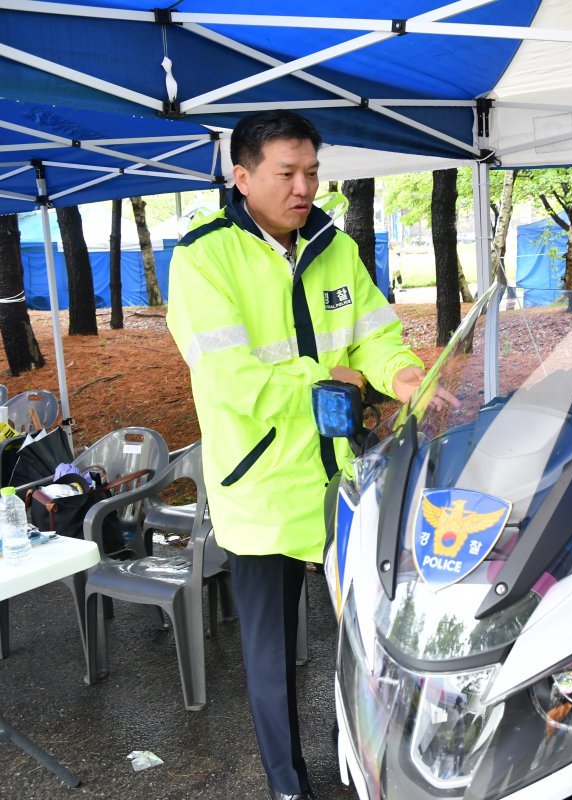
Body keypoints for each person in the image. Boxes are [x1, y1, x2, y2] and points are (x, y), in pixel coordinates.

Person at [167, 110, 429, 800]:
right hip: (262, 488)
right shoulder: (203, 258)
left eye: (312, 171)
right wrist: (329, 381)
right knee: (271, 656)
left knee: (366, 640)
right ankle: (289, 786)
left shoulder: (334, 247)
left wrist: (402, 373)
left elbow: (375, 334)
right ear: (242, 176)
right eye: (287, 173)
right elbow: (230, 379)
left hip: (346, 479)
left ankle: (364, 765)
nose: (305, 187)